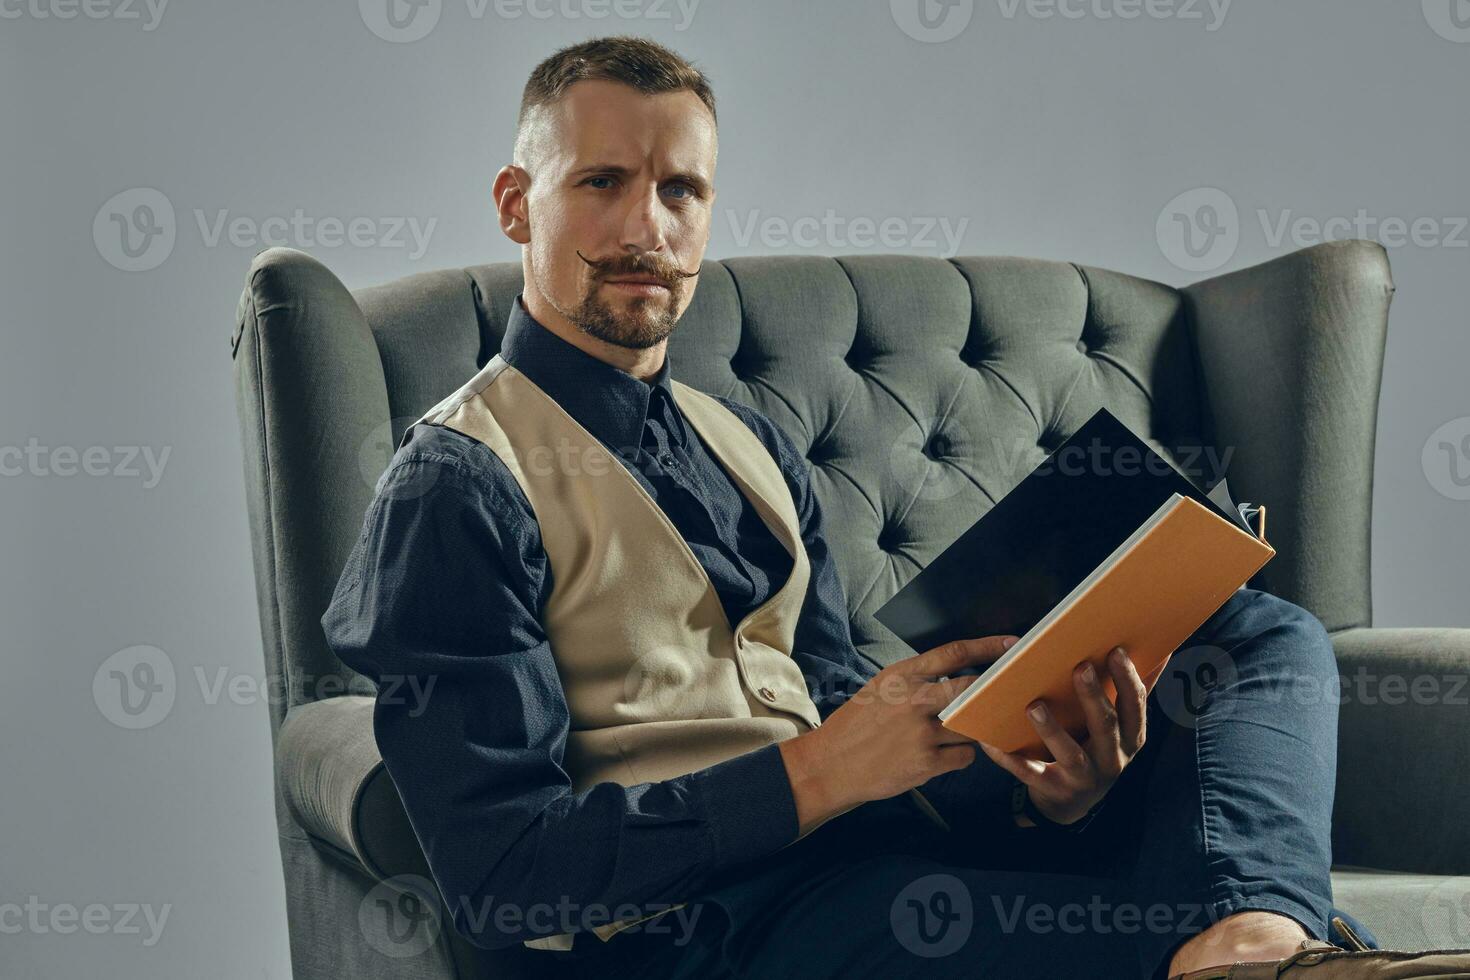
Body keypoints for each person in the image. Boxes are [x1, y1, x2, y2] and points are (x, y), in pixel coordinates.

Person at [321, 35, 1465, 979]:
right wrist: (818, 771)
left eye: (682, 189)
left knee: (1255, 629)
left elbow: (842, 717)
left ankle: (1251, 939)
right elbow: (504, 876)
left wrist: (1050, 794)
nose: (647, 229)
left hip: (872, 869)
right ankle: (1258, 951)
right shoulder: (455, 484)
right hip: (707, 932)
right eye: (602, 183)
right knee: (1134, 926)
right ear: (518, 204)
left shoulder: (748, 445)